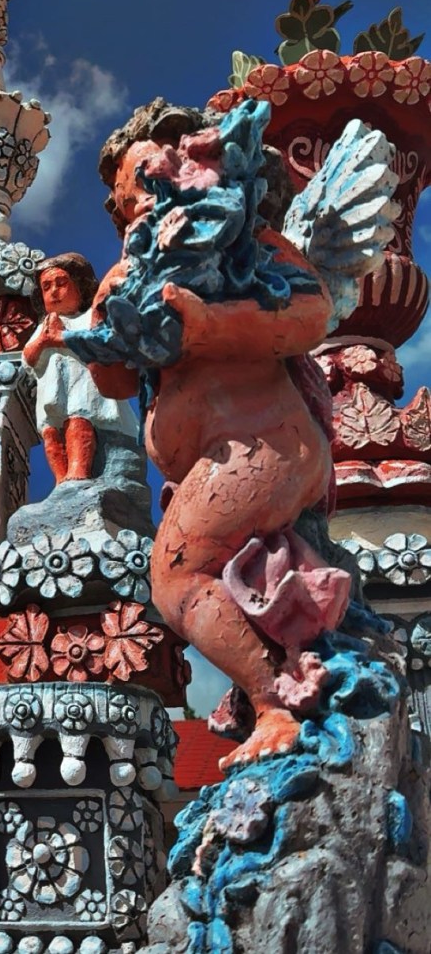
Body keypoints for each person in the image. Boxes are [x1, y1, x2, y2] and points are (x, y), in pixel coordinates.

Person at [53, 99, 353, 769]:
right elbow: (117, 384)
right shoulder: (133, 270)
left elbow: (311, 313)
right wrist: (108, 325)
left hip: (263, 443)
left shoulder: (242, 240)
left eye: (147, 182)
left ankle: (276, 707)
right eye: (124, 200)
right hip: (214, 466)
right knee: (186, 582)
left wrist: (210, 325)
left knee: (175, 579)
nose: (136, 204)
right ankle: (269, 697)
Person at [22, 253, 137, 484]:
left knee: (79, 422)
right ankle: (60, 479)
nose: (54, 291)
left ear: (80, 288)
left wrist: (60, 337)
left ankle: (79, 471)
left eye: (61, 283)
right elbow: (28, 360)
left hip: (82, 386)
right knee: (51, 434)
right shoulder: (43, 327)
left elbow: (96, 342)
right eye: (46, 287)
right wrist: (43, 341)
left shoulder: (86, 319)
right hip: (52, 392)